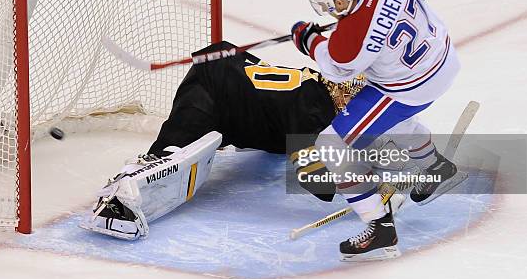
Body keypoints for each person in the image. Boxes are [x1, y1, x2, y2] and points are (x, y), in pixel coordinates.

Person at [79, 41, 403, 240]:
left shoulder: (319, 92)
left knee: (282, 139)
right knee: (170, 155)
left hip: (232, 82)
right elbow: (313, 180)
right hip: (213, 87)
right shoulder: (312, 108)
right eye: (358, 94)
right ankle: (117, 201)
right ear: (344, 91)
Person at [290, 0, 466, 261]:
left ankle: (379, 228)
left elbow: (336, 69)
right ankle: (434, 166)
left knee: (330, 144)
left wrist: (308, 39)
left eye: (335, 6)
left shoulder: (349, 40)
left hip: (411, 86)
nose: (335, 11)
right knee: (386, 119)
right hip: (444, 56)